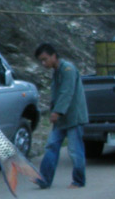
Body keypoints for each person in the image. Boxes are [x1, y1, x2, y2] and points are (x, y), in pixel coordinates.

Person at [33, 43, 89, 189]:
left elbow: (67, 92)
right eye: (41, 61)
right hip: (61, 118)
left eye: (45, 59)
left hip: (73, 117)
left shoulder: (68, 69)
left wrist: (57, 112)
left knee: (75, 150)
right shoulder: (57, 71)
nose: (43, 63)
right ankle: (44, 179)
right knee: (51, 146)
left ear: (53, 56)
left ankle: (78, 180)